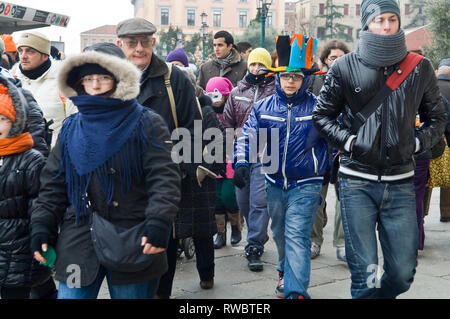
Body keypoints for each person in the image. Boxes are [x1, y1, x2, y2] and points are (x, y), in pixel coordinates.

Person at [312, 0, 447, 299]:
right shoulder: (345, 66)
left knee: (402, 273)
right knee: (366, 274)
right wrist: (348, 141)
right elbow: (322, 116)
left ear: (399, 22)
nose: (386, 26)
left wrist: (415, 143)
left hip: (400, 182)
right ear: (366, 23)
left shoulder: (419, 67)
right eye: (378, 20)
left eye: (391, 19)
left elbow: (437, 119)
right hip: (355, 181)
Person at [29, 44, 181, 299]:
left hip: (133, 236)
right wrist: (42, 224)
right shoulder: (71, 128)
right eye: (89, 79)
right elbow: (53, 183)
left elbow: (164, 178)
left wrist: (158, 220)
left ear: (119, 78)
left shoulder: (147, 122)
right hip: (79, 239)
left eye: (103, 77)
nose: (96, 86)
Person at [235, 34, 328, 299]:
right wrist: (242, 161)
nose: (290, 81)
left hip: (307, 183)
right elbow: (248, 136)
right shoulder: (263, 107)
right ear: (277, 77)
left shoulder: (318, 107)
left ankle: (295, 292)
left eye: (296, 77)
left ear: (305, 79)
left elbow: (338, 132)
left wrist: (331, 161)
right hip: (273, 181)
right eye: (286, 76)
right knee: (279, 232)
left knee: (297, 234)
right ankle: (283, 271)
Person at [116, 18, 203, 299]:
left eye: (145, 42)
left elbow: (194, 128)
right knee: (126, 254)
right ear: (121, 45)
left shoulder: (173, 79)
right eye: (132, 43)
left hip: (162, 184)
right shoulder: (108, 78)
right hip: (119, 186)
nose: (139, 49)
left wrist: (184, 171)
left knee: (161, 250)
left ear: (154, 42)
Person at [222, 48, 275, 271]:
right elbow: (227, 124)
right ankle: (256, 234)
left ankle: (254, 245)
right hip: (242, 154)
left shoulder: (276, 90)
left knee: (259, 203)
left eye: (261, 65)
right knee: (242, 201)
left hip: (266, 155)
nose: (256, 69)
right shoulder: (237, 92)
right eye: (253, 65)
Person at [0, 75, 51, 299]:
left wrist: (40, 244)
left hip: (19, 254)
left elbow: (39, 207)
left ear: (16, 120)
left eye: (2, 118)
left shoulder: (30, 160)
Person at [309, 40, 350, 261]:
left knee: (346, 199)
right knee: (316, 198)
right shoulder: (314, 82)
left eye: (341, 57)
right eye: (333, 57)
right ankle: (314, 241)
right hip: (319, 148)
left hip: (344, 148)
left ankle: (343, 244)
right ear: (325, 59)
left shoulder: (355, 82)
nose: (336, 61)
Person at [10, 31, 77, 148]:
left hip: (53, 159)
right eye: (20, 51)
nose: (23, 56)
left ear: (45, 55)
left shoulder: (65, 81)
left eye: (30, 51)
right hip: (18, 158)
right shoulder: (11, 81)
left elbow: (76, 125)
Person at [204, 77, 241, 249]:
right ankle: (220, 232)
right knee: (216, 199)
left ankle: (235, 226)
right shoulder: (206, 112)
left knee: (228, 195)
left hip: (230, 160)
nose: (214, 99)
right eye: (210, 95)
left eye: (217, 95)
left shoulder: (232, 112)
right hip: (213, 160)